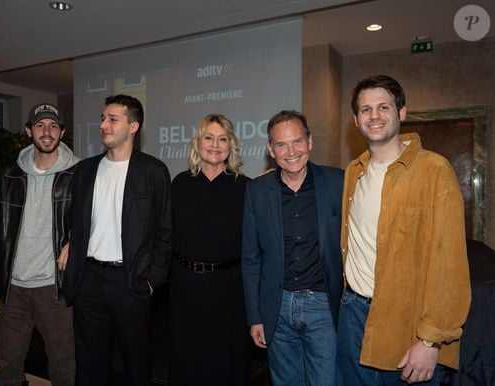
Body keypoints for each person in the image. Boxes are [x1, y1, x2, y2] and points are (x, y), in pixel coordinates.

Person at [337, 74, 471, 385]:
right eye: (366, 109)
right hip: (353, 314)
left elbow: (449, 264)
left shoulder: (434, 170)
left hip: (406, 322)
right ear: (355, 120)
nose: (374, 116)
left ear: (402, 112)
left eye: (383, 107)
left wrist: (431, 341)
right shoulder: (353, 173)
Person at [62, 94, 172, 386]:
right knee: (89, 363)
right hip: (88, 280)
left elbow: (165, 232)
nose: (104, 125)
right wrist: (69, 245)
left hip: (131, 281)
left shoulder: (153, 171)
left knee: (136, 363)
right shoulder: (85, 170)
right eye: (102, 118)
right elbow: (74, 221)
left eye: (112, 119)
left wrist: (151, 280)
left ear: (133, 127)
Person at [241, 110, 344, 386]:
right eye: (281, 144)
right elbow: (251, 259)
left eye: (297, 141)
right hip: (277, 308)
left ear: (310, 142)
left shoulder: (338, 183)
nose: (291, 151)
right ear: (270, 150)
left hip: (324, 306)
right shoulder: (257, 191)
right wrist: (255, 317)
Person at [0, 102, 78, 386]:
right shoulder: (7, 176)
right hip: (13, 289)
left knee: (63, 367)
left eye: (53, 126)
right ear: (28, 131)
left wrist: (75, 243)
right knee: (7, 368)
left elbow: (92, 221)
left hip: (54, 289)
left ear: (62, 132)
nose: (47, 132)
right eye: (40, 125)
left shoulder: (79, 173)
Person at [169, 114, 250, 386]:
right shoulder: (179, 184)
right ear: (197, 143)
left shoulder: (246, 188)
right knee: (187, 359)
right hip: (185, 286)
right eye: (209, 137)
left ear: (231, 145)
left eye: (223, 138)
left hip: (229, 288)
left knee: (225, 362)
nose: (215, 145)